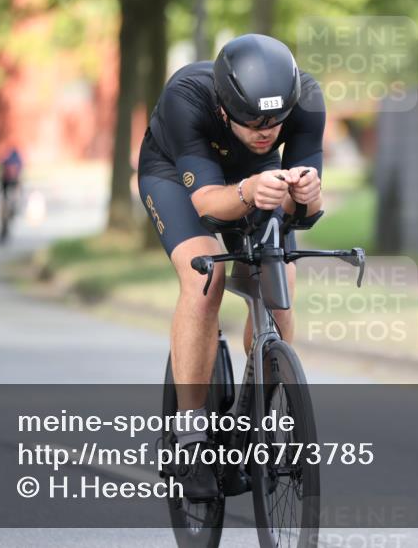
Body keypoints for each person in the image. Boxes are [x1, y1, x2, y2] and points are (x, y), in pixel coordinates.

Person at [137, 34, 324, 499]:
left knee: (280, 281)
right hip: (175, 176)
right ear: (224, 108)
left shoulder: (306, 98)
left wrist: (308, 198)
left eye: (276, 120)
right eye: (253, 119)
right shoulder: (187, 98)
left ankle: (265, 410)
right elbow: (207, 203)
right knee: (207, 275)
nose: (267, 129)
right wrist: (246, 191)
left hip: (259, 178)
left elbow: (300, 208)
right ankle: (191, 434)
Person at [0, 148, 23, 243]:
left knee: (6, 202)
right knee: (10, 201)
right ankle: (11, 211)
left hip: (6, 183)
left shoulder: (6, 159)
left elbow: (1, 170)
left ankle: (10, 211)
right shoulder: (17, 160)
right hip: (10, 182)